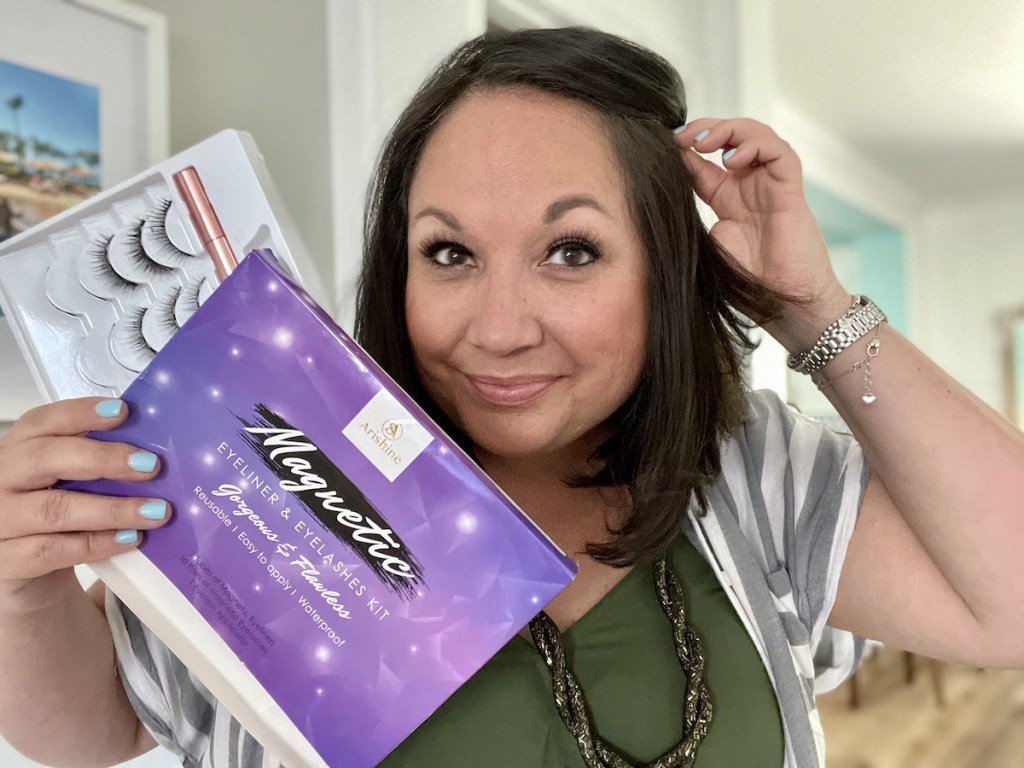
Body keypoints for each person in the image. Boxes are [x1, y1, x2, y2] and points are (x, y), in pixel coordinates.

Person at [1, 26, 1022, 768]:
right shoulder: (272, 468)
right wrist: (21, 583)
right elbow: (93, 731)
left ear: (662, 270)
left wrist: (809, 307)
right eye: (447, 252)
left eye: (569, 252)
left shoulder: (752, 474)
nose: (496, 327)